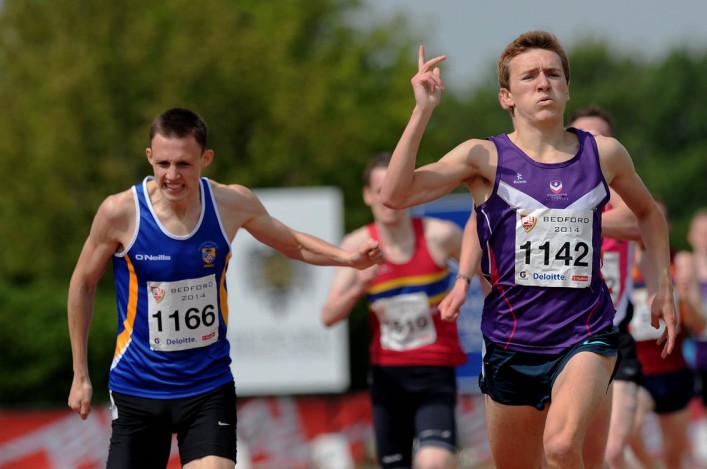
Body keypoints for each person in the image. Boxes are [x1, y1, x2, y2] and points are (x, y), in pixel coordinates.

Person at [380, 31, 677, 469]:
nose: (543, 83)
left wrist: (662, 287)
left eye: (553, 74)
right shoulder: (483, 158)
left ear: (567, 88)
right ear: (506, 96)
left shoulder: (605, 155)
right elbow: (395, 195)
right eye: (530, 76)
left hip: (586, 333)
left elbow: (650, 214)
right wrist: (422, 112)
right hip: (511, 343)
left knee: (560, 446)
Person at [67, 107, 385, 469]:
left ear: (206, 158)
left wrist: (349, 258)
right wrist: (80, 375)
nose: (172, 176)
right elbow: (82, 284)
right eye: (164, 164)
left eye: (184, 164)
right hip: (140, 386)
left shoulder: (230, 204)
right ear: (149, 157)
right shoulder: (120, 212)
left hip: (207, 385)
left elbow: (292, 243)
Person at [320, 152, 482, 469]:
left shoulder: (440, 235)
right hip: (387, 379)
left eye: (390, 189)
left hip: (435, 372)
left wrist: (483, 299)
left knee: (433, 462)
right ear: (367, 196)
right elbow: (328, 316)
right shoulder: (357, 246)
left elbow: (485, 268)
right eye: (377, 190)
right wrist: (359, 285)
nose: (385, 199)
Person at [570, 105, 645, 469]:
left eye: (599, 137)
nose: (591, 145)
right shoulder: (549, 190)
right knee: (568, 449)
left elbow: (640, 221)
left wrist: (580, 216)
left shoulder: (621, 192)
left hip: (617, 336)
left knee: (611, 450)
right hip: (565, 336)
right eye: (582, 137)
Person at [627, 200, 694, 469]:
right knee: (626, 429)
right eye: (644, 219)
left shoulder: (679, 261)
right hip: (637, 371)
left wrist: (687, 300)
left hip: (674, 367)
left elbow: (697, 326)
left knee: (675, 456)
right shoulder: (622, 264)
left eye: (659, 220)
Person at [674, 208, 707, 464]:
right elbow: (697, 323)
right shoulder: (687, 264)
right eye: (702, 233)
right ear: (691, 236)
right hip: (697, 358)